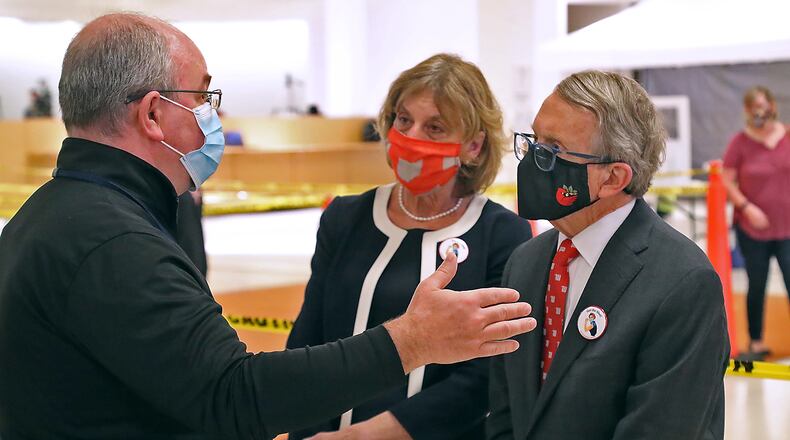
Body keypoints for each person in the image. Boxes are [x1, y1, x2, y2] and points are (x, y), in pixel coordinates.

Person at [0, 14, 538, 440]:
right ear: (153, 115)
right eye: (203, 98)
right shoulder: (116, 241)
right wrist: (411, 341)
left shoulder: (59, 215)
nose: (213, 117)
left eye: (435, 127)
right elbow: (235, 394)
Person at [286, 53, 533, 440]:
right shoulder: (345, 217)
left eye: (435, 127)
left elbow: (484, 376)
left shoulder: (502, 234)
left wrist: (362, 437)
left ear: (473, 146)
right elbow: (306, 344)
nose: (413, 137)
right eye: (404, 120)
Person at [487, 71, 730, 440]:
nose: (533, 160)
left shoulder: (683, 283)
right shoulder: (525, 263)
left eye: (553, 150)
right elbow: (505, 415)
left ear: (614, 178)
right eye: (534, 141)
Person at [722, 85, 790, 360]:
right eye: (754, 108)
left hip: (787, 228)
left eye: (764, 106)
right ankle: (756, 342)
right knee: (757, 284)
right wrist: (746, 207)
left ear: (773, 105)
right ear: (747, 111)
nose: (760, 112)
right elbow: (727, 180)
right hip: (752, 230)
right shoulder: (740, 142)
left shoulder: (787, 136)